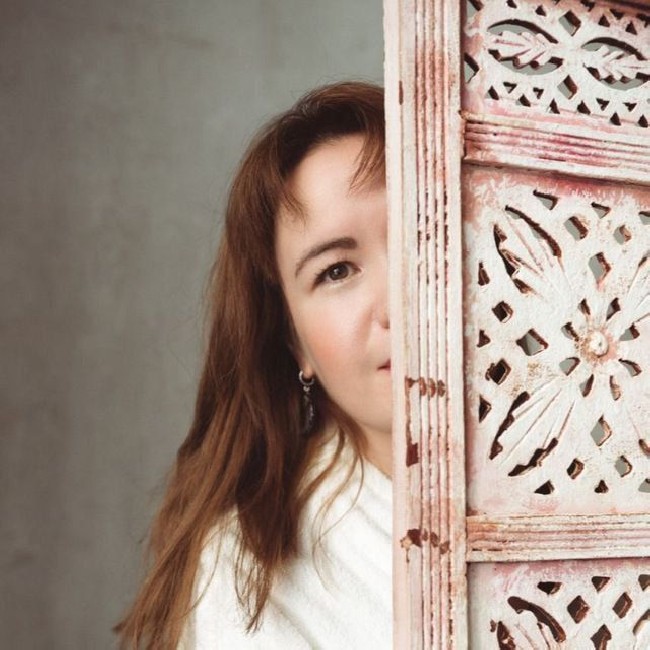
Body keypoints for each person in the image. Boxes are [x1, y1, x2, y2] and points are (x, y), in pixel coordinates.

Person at [116, 81, 392, 649]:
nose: (400, 302)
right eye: (336, 271)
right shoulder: (247, 577)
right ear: (296, 345)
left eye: (425, 234)